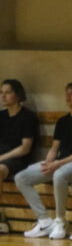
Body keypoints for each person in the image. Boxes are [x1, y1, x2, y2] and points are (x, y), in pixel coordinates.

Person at [16, 83, 72, 239]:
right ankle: (45, 221)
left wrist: (58, 164)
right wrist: (49, 162)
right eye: (66, 93)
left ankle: (60, 221)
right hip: (59, 163)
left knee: (59, 174)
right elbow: (54, 149)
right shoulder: (62, 121)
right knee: (21, 177)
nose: (67, 96)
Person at [0, 79, 39, 233]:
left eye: (8, 92)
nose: (3, 96)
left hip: (18, 160)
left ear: (17, 95)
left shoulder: (27, 117)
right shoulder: (1, 116)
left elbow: (25, 148)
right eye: (2, 92)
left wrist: (2, 158)